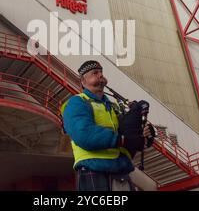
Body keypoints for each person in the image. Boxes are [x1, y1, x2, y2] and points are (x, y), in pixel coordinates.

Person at [60, 60, 152, 191]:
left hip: (121, 169)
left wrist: (144, 134)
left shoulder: (114, 107)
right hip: (94, 168)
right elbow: (83, 134)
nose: (100, 75)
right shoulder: (77, 102)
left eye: (101, 72)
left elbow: (128, 134)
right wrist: (123, 140)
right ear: (83, 81)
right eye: (94, 73)